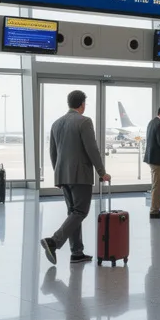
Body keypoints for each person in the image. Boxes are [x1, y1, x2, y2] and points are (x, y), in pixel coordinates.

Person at [40, 90, 110, 265]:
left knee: (73, 213)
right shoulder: (84, 122)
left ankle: (77, 252)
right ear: (82, 105)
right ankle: (53, 241)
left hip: (63, 175)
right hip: (80, 175)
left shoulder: (56, 123)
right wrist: (102, 172)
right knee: (80, 212)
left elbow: (53, 152)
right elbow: (92, 149)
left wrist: (58, 175)